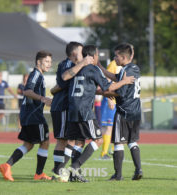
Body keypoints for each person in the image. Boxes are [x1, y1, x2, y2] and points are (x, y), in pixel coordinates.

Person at [62, 45, 135, 182]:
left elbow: (87, 87)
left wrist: (103, 93)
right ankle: (75, 166)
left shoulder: (76, 68)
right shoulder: (93, 69)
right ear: (93, 56)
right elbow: (108, 87)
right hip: (84, 110)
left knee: (79, 141)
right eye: (97, 55)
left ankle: (74, 176)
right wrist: (124, 82)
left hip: (73, 109)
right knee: (98, 139)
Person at [0, 51, 52, 181]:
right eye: (46, 61)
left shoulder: (38, 75)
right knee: (45, 142)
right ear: (38, 62)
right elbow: (27, 91)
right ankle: (39, 174)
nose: (49, 64)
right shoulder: (35, 74)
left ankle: (7, 165)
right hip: (34, 115)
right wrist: (43, 98)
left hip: (28, 115)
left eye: (50, 62)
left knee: (28, 144)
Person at [50, 42, 93, 182]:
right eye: (81, 53)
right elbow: (64, 81)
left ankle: (73, 173)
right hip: (62, 106)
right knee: (63, 140)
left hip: (71, 108)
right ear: (74, 54)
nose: (84, 56)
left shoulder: (73, 65)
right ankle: (57, 173)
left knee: (78, 140)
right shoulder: (68, 65)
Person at [100, 43, 142, 181]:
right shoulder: (134, 68)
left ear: (123, 57)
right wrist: (100, 67)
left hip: (124, 111)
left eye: (116, 55)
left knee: (118, 142)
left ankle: (118, 175)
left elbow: (121, 92)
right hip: (135, 111)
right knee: (132, 141)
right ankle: (138, 170)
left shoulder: (125, 71)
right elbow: (115, 77)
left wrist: (106, 93)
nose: (114, 58)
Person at [100, 60, 119, 159]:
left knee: (115, 127)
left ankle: (112, 150)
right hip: (111, 100)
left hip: (118, 100)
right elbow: (107, 80)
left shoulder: (126, 66)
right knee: (108, 127)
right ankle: (104, 153)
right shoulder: (113, 64)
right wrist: (108, 97)